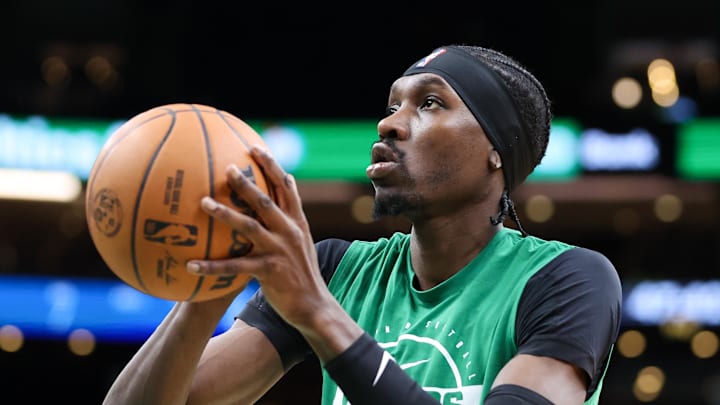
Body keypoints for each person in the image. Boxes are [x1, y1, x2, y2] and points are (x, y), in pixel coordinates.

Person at [103, 44, 622, 405]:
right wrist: (211, 285)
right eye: (393, 103)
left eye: (431, 103)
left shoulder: (568, 280)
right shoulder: (337, 271)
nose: (390, 122)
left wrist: (318, 313)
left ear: (496, 151)